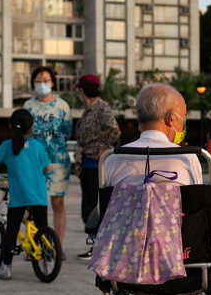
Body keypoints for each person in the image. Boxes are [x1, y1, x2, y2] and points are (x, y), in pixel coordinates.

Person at [77, 83, 202, 260]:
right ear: (171, 118)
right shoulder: (187, 158)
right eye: (184, 115)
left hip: (124, 264)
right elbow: (196, 212)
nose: (184, 123)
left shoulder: (112, 159)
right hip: (176, 261)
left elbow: (103, 210)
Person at [0, 109, 51, 279]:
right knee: (43, 230)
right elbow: (48, 168)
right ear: (31, 127)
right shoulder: (38, 146)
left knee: (12, 231)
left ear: (10, 126)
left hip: (19, 198)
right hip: (39, 196)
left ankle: (5, 268)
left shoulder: (6, 145)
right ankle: (48, 263)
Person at [24, 66, 72, 260]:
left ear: (52, 82)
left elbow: (67, 132)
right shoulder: (28, 106)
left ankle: (57, 247)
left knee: (57, 203)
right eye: (37, 80)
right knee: (33, 205)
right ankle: (33, 246)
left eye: (45, 79)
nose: (42, 83)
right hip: (31, 162)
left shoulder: (62, 106)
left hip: (58, 161)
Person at [73, 74, 120, 227]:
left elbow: (114, 129)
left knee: (95, 207)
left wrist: (103, 146)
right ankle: (91, 247)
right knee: (88, 208)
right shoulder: (88, 109)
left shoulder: (101, 106)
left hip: (95, 164)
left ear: (81, 90)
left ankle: (97, 247)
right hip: (85, 163)